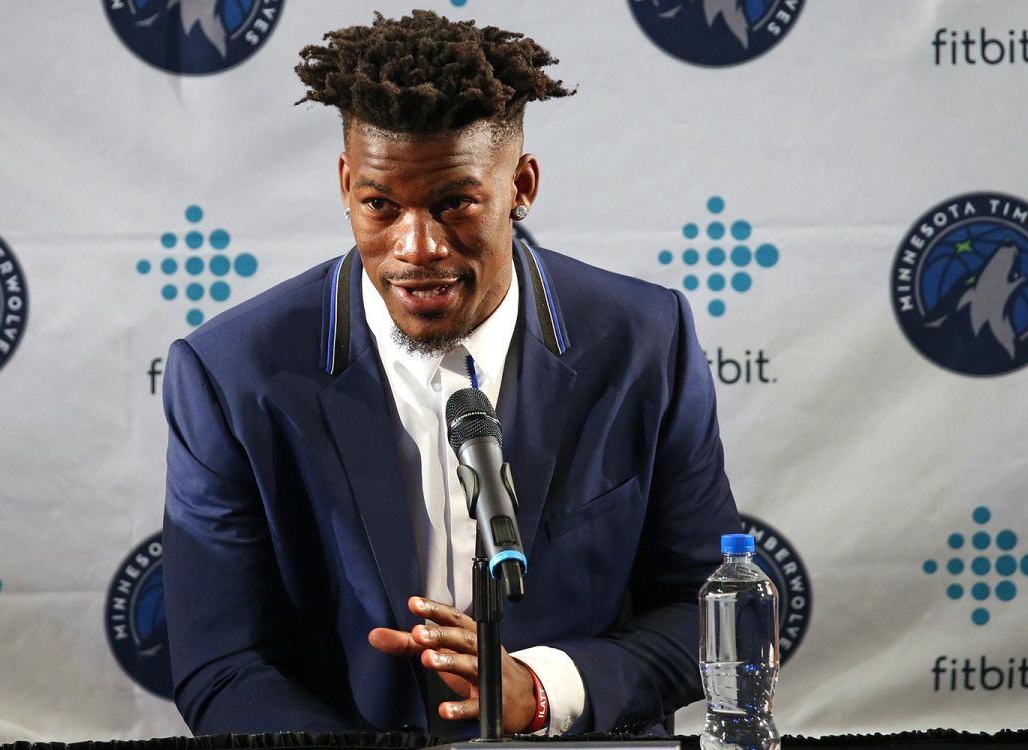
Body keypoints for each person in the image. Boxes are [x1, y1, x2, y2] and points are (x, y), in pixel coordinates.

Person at [161, 9, 741, 739]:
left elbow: (712, 611)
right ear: (346, 184)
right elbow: (222, 666)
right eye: (380, 205)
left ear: (521, 186)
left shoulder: (645, 340)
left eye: (455, 203)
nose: (417, 247)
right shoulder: (229, 373)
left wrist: (541, 690)